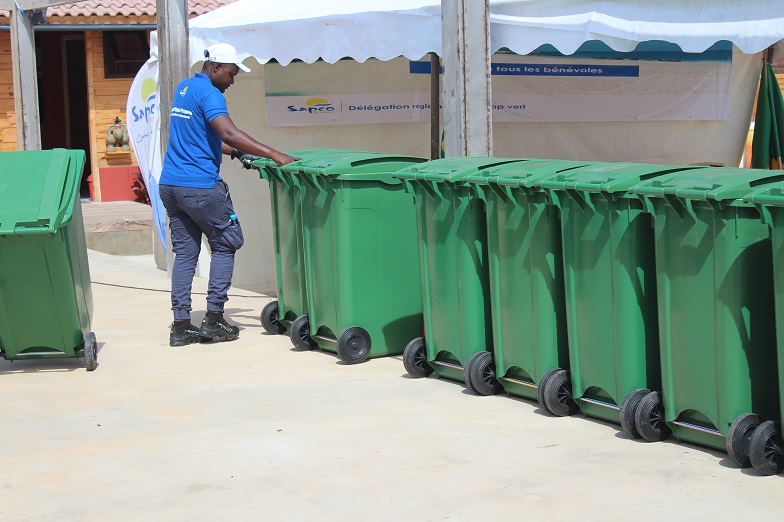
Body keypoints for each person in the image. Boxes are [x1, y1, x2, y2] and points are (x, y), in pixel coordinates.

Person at [159, 42, 297, 347]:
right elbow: (228, 132)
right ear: (216, 67)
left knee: (186, 254)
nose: (232, 81)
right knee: (227, 242)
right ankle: (214, 320)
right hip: (199, 187)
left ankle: (181, 326)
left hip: (171, 185)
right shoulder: (210, 93)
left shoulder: (185, 88)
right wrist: (276, 154)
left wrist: (235, 153)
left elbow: (201, 138)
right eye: (231, 74)